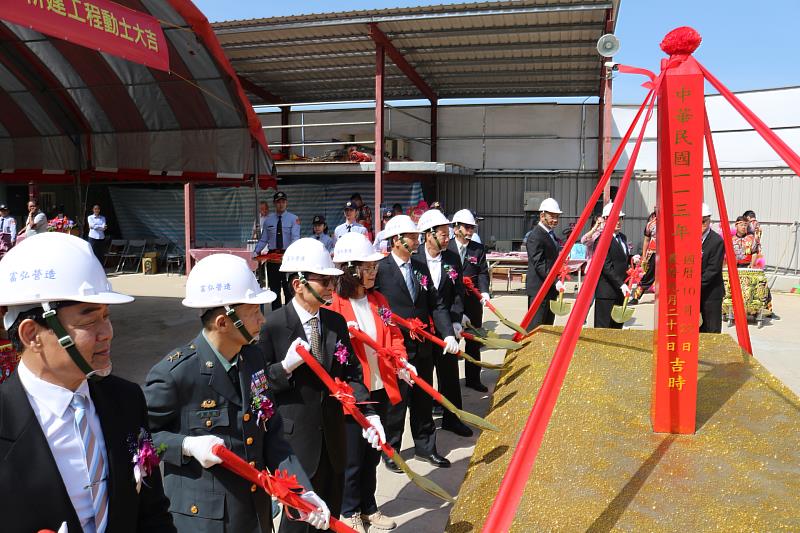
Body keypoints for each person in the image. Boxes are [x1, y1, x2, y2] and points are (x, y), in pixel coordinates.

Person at [0, 233, 175, 532]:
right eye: (88, 322)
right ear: (31, 335)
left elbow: (152, 512)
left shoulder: (127, 400)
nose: (107, 332)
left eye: (106, 316)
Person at [143, 254, 329, 532]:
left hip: (254, 512)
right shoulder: (176, 374)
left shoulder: (252, 359)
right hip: (206, 521)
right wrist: (184, 446)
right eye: (253, 312)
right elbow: (141, 438)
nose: (262, 320)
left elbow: (272, 433)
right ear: (223, 322)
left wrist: (301, 489)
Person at [258, 238, 379, 533]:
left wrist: (368, 413)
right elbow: (257, 385)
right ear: (298, 284)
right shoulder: (272, 326)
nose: (331, 287)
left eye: (332, 280)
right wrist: (284, 368)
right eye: (324, 281)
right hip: (295, 445)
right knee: (298, 524)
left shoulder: (335, 322)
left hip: (335, 440)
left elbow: (351, 373)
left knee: (331, 518)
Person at [326, 233, 400, 533]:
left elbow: (393, 335)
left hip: (380, 385)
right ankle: (350, 509)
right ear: (351, 270)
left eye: (374, 268)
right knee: (354, 457)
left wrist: (400, 359)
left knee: (372, 454)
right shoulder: (335, 307)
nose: (373, 272)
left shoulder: (378, 300)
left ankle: (369, 506)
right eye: (368, 268)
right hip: (354, 392)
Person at [375, 215, 458, 472]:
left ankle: (426, 446)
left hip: (422, 346)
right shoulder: (382, 270)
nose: (417, 239)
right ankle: (391, 450)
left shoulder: (420, 267)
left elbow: (436, 303)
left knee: (423, 397)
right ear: (397, 240)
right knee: (397, 402)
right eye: (412, 236)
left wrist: (447, 333)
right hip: (396, 347)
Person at [416, 210, 471, 437]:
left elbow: (457, 293)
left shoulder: (451, 258)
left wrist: (457, 320)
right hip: (420, 329)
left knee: (449, 374)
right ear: (428, 235)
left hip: (447, 325)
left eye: (448, 233)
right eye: (442, 234)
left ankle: (452, 418)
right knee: (423, 375)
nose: (447, 238)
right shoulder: (415, 258)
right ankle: (424, 423)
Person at [448, 209, 491, 392]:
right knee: (452, 345)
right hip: (452, 303)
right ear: (456, 228)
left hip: (473, 303)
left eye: (472, 227)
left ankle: (473, 378)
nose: (470, 231)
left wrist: (484, 292)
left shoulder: (477, 249)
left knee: (474, 342)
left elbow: (482, 272)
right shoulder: (446, 248)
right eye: (467, 227)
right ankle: (449, 383)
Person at [253, 191, 301, 310]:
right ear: (274, 203)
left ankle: (291, 314)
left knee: (288, 288)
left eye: (283, 202)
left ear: (286, 203)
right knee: (274, 290)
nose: (281, 204)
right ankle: (277, 315)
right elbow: (264, 239)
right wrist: (255, 251)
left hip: (288, 259)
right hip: (273, 259)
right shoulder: (268, 221)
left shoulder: (294, 219)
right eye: (278, 202)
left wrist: (290, 254)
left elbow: (295, 239)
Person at [525, 198, 562, 330]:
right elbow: (539, 263)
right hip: (539, 289)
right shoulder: (536, 236)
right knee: (536, 327)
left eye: (557, 216)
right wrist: (555, 280)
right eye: (552, 216)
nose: (555, 220)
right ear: (542, 216)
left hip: (549, 289)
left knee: (547, 328)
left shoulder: (551, 235)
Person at [594, 203, 632, 329]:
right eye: (614, 219)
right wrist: (621, 284)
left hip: (620, 291)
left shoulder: (622, 238)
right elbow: (606, 266)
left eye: (620, 218)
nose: (618, 222)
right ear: (605, 219)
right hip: (607, 292)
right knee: (604, 328)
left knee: (616, 328)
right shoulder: (601, 240)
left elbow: (622, 259)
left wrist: (633, 259)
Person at [701, 203, 725, 334]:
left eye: (704, 220)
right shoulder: (688, 238)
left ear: (709, 220)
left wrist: (692, 285)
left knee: (712, 329)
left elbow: (713, 270)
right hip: (694, 294)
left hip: (711, 293)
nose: (701, 224)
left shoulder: (716, 241)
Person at [631, 208, 658, 305]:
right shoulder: (650, 225)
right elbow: (646, 240)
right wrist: (644, 256)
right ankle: (636, 296)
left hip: (667, 254)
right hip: (653, 253)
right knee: (648, 277)